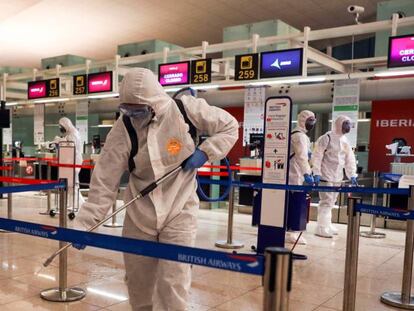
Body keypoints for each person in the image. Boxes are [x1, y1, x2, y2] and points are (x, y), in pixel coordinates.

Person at [74, 68, 238, 311]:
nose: (133, 114)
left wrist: (206, 151)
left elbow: (230, 126)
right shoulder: (123, 130)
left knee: (174, 280)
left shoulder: (185, 110)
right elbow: (104, 181)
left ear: (154, 102)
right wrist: (84, 225)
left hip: (180, 208)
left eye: (138, 108)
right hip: (140, 212)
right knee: (138, 282)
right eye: (127, 109)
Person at [312, 115, 358, 238]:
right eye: (346, 124)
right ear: (339, 124)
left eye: (349, 124)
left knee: (332, 201)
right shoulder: (325, 138)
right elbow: (317, 156)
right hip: (325, 175)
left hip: (337, 176)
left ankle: (328, 224)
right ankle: (321, 227)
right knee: (326, 201)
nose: (348, 127)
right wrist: (316, 172)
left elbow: (350, 159)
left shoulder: (345, 141)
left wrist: (352, 174)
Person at [286, 110, 316, 245]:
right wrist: (307, 174)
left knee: (290, 202)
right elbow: (301, 157)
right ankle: (292, 232)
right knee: (295, 202)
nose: (312, 123)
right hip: (294, 173)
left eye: (313, 120)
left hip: (293, 172)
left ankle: (289, 230)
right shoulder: (300, 136)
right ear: (302, 120)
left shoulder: (297, 134)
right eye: (310, 120)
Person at [53, 117, 85, 210]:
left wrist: (60, 141)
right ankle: (71, 204)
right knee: (70, 184)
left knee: (73, 184)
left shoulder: (73, 134)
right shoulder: (70, 134)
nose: (61, 128)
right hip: (69, 162)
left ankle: (77, 204)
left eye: (61, 126)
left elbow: (71, 147)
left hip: (73, 162)